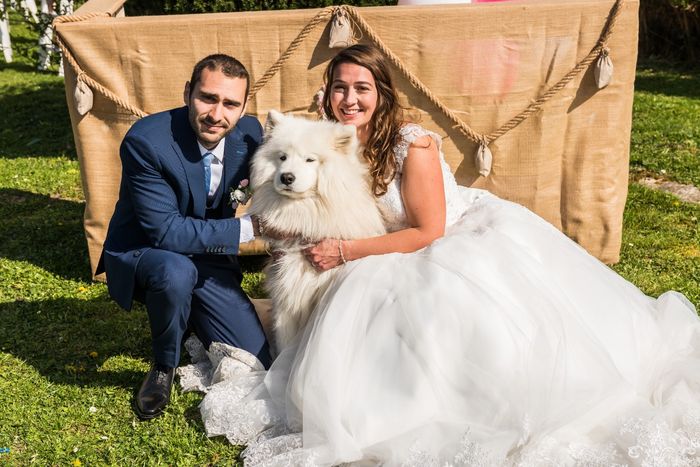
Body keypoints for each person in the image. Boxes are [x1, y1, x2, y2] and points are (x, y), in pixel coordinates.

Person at [189, 45, 700, 465]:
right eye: (340, 87)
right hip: (380, 245)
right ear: (327, 93)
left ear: (380, 94)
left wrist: (345, 250)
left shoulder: (413, 143)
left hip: (446, 239)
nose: (350, 99)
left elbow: (429, 230)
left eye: (362, 88)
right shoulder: (322, 138)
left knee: (435, 309)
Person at [97, 54, 272, 421]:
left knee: (256, 359)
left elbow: (296, 157)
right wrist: (251, 228)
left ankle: (190, 313)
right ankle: (164, 363)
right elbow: (167, 230)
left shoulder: (251, 135)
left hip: (208, 256)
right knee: (175, 273)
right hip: (149, 250)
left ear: (243, 107)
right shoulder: (147, 142)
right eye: (207, 98)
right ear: (187, 92)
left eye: (230, 104)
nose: (216, 114)